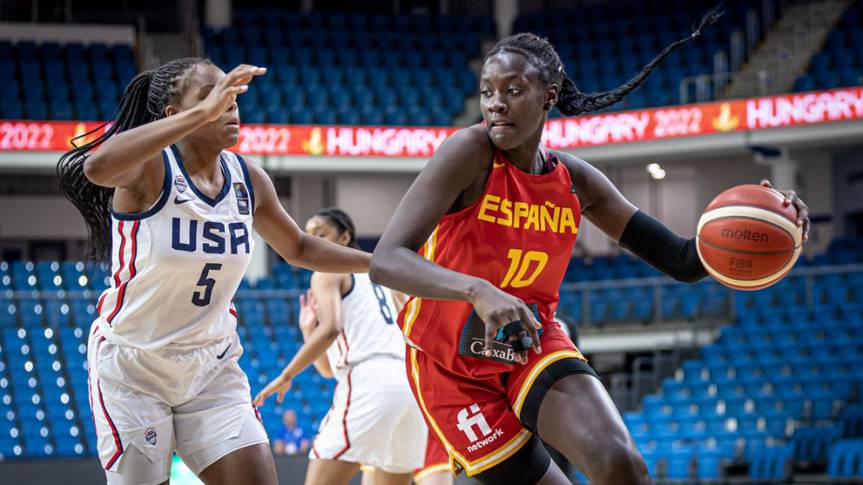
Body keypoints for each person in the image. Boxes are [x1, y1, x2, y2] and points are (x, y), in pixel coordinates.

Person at [369, 10, 811, 485]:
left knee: (621, 464)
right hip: (449, 365)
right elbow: (386, 260)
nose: (496, 104)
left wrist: (771, 224)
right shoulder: (468, 152)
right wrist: (479, 290)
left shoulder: (576, 181)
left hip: (530, 342)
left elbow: (684, 261)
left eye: (513, 90)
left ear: (549, 96)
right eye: (487, 92)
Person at [57, 59, 369, 485]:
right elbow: (97, 168)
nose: (229, 105)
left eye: (231, 95)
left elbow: (298, 247)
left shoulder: (248, 178)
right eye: (210, 96)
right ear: (177, 115)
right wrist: (201, 114)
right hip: (135, 367)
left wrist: (377, 263)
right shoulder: (151, 169)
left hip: (212, 365)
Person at [254, 208, 427, 485]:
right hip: (410, 384)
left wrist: (286, 375)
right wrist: (308, 329)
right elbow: (327, 371)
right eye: (308, 235)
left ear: (345, 237)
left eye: (320, 234)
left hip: (370, 379)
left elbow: (332, 327)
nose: (313, 241)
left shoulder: (328, 270)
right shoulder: (384, 277)